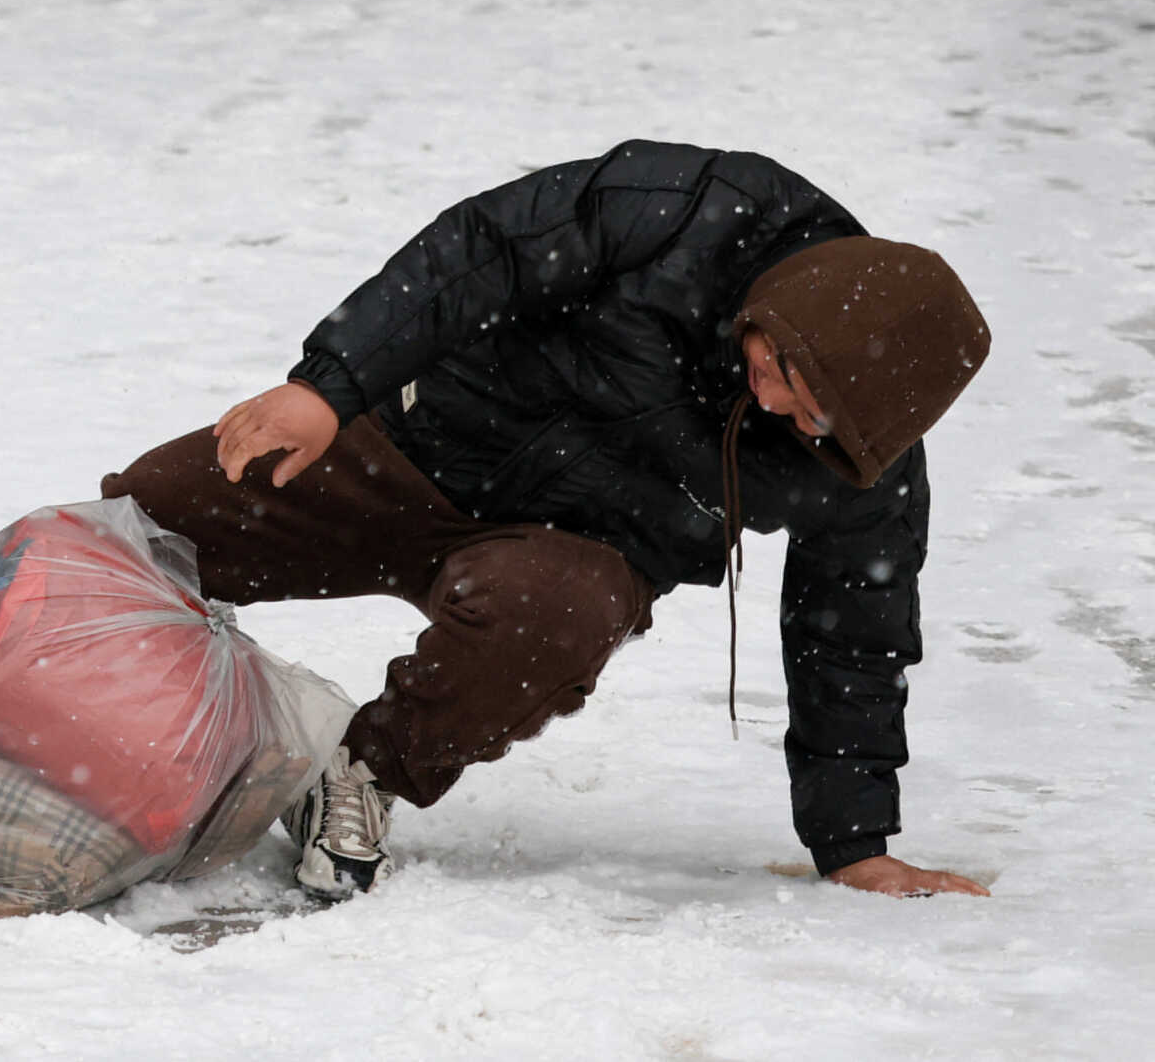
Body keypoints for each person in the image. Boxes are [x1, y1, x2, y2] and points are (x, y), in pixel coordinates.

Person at [102, 141, 996, 902]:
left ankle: (364, 770)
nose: (779, 411)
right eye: (781, 376)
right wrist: (326, 388)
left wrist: (856, 845)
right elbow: (480, 249)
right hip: (420, 440)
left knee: (552, 615)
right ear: (787, 317)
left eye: (815, 421)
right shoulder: (691, 214)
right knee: (144, 519)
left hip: (568, 555)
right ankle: (99, 722)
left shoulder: (860, 460)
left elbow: (855, 636)